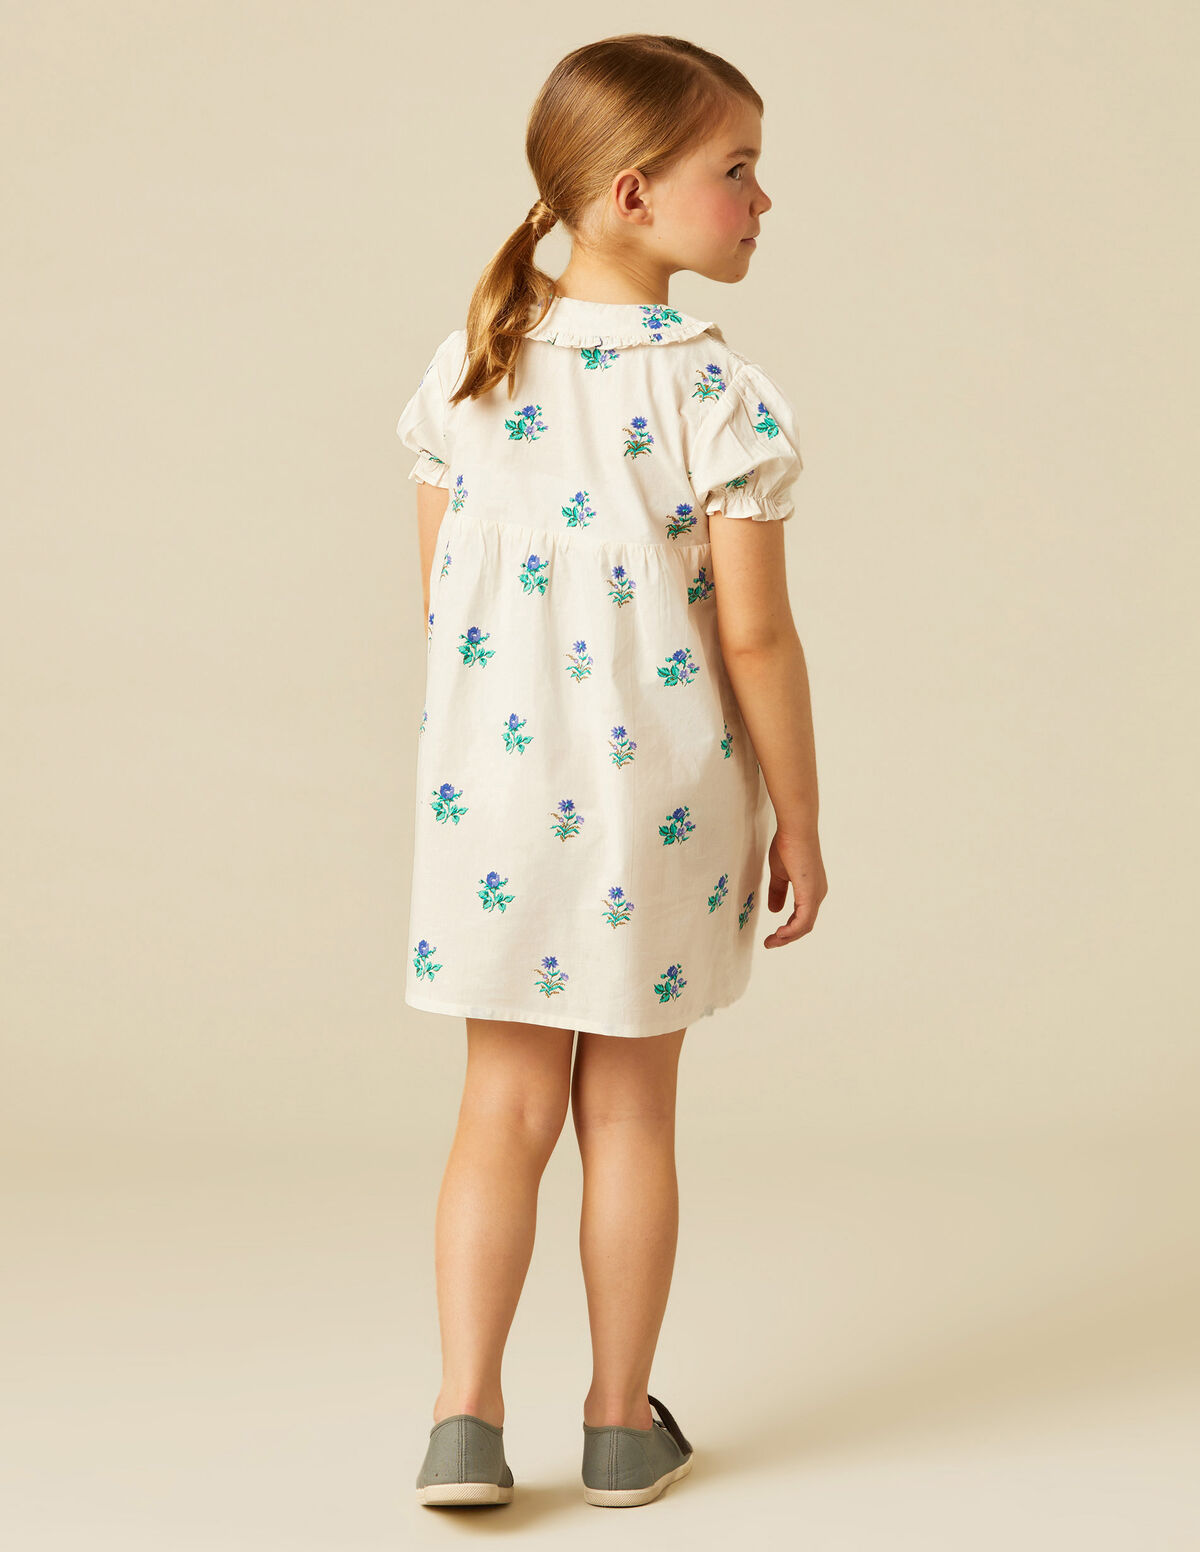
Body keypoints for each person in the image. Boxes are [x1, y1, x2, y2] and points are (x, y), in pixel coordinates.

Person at [398, 32, 827, 1510]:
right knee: (630, 1116)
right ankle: (616, 1425)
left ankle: (463, 1421)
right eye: (739, 169)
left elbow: (443, 606)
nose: (763, 199)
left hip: (494, 805)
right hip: (660, 808)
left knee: (498, 1112)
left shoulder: (469, 366)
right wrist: (802, 821)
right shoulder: (715, 393)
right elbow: (756, 638)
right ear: (636, 192)